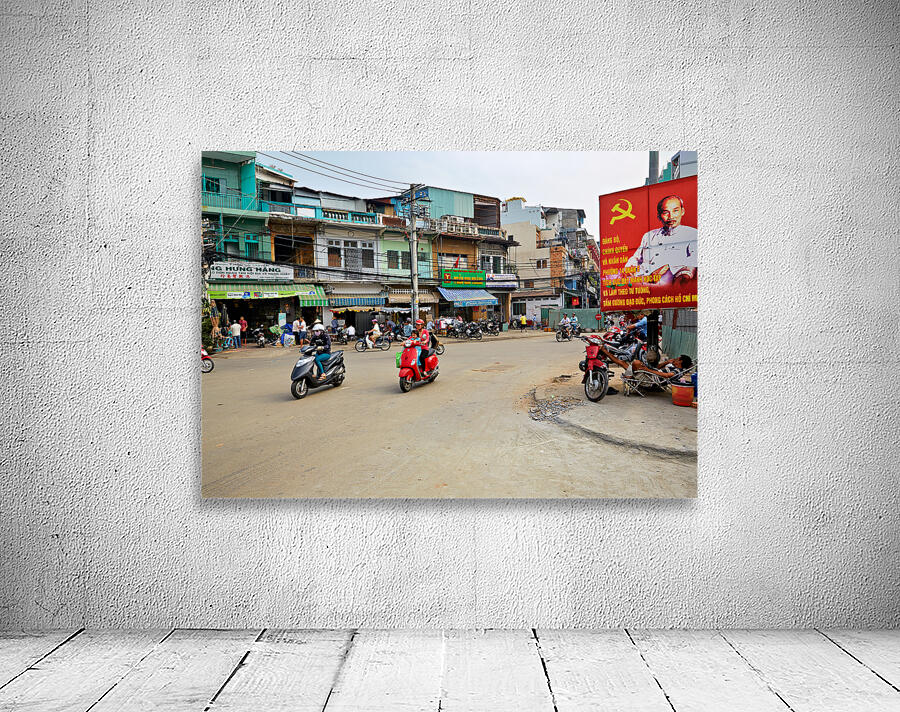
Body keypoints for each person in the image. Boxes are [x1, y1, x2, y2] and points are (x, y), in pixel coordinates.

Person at [624, 194, 697, 283]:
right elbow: (636, 258)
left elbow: (693, 263)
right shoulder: (649, 236)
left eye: (675, 211)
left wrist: (667, 267)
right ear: (659, 216)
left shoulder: (692, 234)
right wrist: (629, 267)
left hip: (666, 288)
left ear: (682, 212)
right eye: (666, 212)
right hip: (640, 284)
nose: (671, 217)